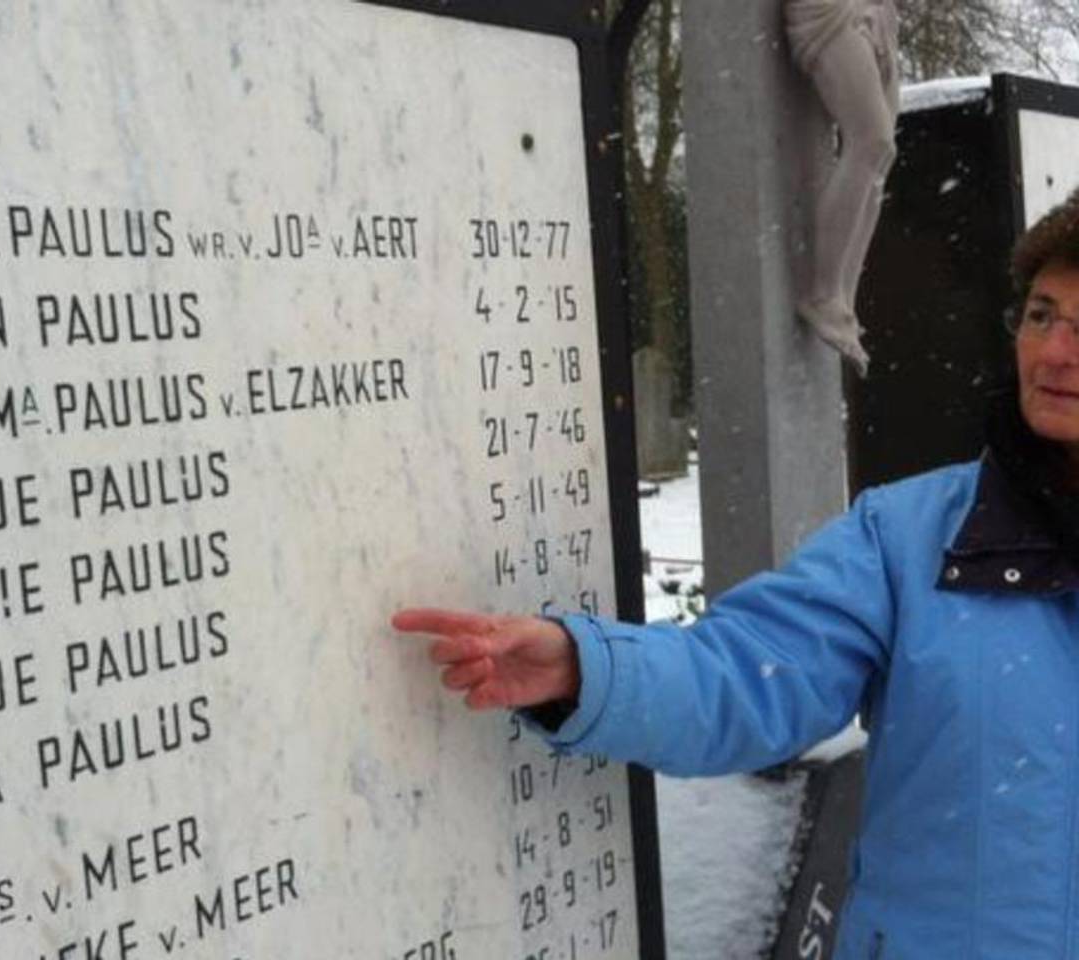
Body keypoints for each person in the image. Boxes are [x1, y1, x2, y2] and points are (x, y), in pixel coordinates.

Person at [393, 189, 1079, 959]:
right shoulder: (913, 539)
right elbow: (746, 676)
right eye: (1042, 314)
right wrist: (588, 669)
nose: (1053, 352)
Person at [784, 0, 900, 376]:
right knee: (872, 140)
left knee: (881, 155)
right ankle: (823, 292)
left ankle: (841, 300)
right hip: (830, 9)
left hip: (877, 12)